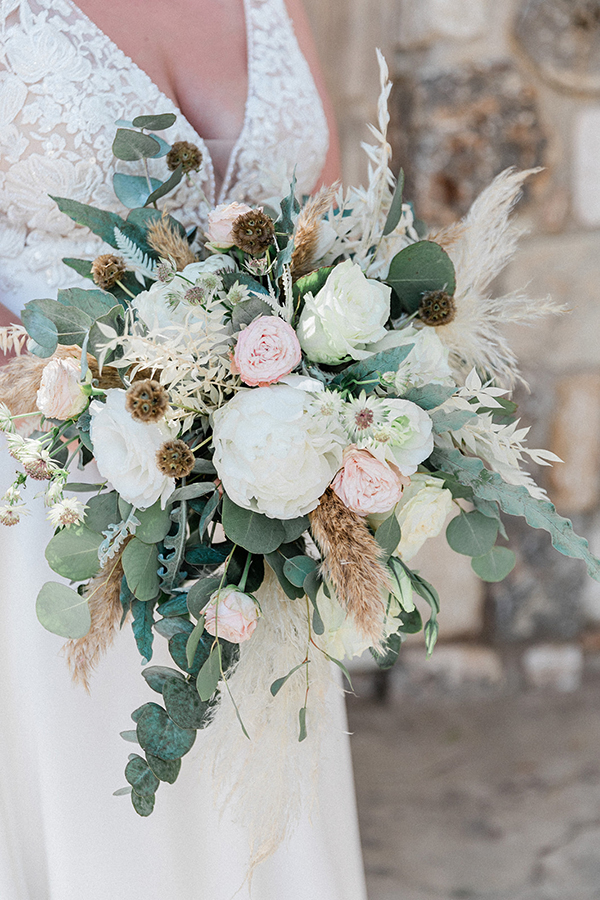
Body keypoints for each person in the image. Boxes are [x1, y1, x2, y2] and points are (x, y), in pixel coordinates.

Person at [0, 1, 368, 898]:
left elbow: (330, 226)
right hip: (56, 497)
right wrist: (125, 399)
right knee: (102, 819)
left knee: (257, 804)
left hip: (263, 502)